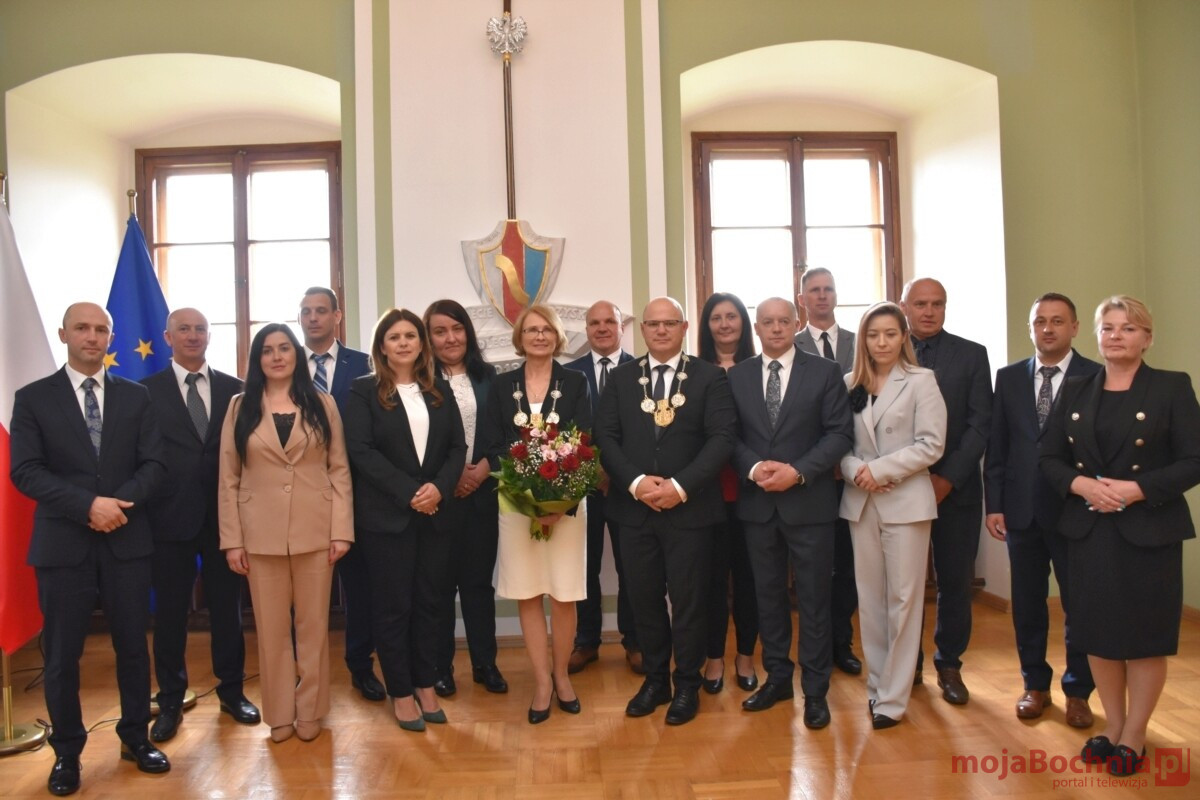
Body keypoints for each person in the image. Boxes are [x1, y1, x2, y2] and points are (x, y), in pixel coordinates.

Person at [10, 302, 170, 796]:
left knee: (132, 648)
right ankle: (67, 753)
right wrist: (88, 506)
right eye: (82, 328)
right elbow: (25, 471)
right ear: (64, 334)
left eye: (102, 329)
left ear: (111, 339)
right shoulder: (33, 398)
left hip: (126, 539)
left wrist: (116, 506)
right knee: (62, 656)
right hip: (63, 545)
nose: (92, 336)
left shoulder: (137, 396)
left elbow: (155, 465)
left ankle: (136, 738)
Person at [1040, 295, 1200, 776]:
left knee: (1145, 637)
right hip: (1091, 528)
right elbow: (1049, 458)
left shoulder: (1172, 386)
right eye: (1108, 327)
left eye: (1128, 328)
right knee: (1099, 634)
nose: (1116, 336)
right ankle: (1112, 725)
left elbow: (1194, 460)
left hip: (1149, 529)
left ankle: (1135, 732)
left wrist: (1137, 489)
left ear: (1147, 338)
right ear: (1096, 336)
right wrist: (1083, 485)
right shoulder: (1076, 389)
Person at [594, 296, 736, 726]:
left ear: (684, 327)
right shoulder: (621, 378)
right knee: (644, 600)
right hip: (633, 511)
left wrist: (679, 487)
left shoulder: (710, 377)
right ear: (642, 330)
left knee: (690, 602)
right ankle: (656, 681)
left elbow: (722, 439)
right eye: (653, 324)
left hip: (690, 512)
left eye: (669, 323)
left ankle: (687, 683)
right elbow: (605, 437)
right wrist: (637, 483)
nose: (660, 330)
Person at [218, 323, 353, 743]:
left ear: (296, 354)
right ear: (257, 359)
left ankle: (311, 710)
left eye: (284, 348)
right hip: (259, 535)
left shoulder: (322, 403)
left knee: (313, 628)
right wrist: (232, 540)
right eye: (267, 350)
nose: (276, 356)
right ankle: (279, 714)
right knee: (271, 631)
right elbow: (228, 477)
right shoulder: (239, 406)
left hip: (316, 530)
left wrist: (341, 530)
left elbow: (339, 468)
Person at [727, 298, 853, 729]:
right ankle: (778, 678)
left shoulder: (825, 372)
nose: (776, 328)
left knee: (815, 602)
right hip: (758, 505)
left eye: (784, 321)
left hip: (810, 504)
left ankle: (815, 691)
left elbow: (839, 434)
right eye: (768, 322)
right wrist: (754, 468)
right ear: (756, 328)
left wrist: (797, 472)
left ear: (797, 324)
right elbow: (728, 436)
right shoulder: (738, 375)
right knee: (768, 598)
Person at [344, 309, 466, 731]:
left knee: (431, 604)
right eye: (394, 337)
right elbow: (361, 451)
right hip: (387, 518)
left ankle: (425, 685)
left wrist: (439, 489)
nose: (403, 343)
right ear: (382, 345)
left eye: (410, 335)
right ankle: (400, 692)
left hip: (435, 515)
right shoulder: (363, 391)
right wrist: (410, 492)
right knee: (394, 607)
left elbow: (457, 447)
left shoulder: (439, 389)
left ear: (421, 343)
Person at [142, 308, 259, 743]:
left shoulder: (236, 390)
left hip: (224, 519)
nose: (192, 336)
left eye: (200, 329)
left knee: (228, 611)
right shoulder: (144, 392)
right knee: (170, 615)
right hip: (168, 519)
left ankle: (232, 692)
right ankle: (171, 700)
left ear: (209, 336)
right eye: (183, 329)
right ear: (167, 337)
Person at [984, 293, 1099, 726]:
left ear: (1074, 328)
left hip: (1075, 511)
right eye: (1040, 321)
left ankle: (1079, 692)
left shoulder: (1096, 376)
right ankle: (1034, 685)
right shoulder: (1009, 377)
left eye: (1057, 321)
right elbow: (998, 446)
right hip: (1021, 511)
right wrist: (994, 504)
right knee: (1028, 604)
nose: (1047, 329)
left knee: (1079, 605)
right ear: (1031, 328)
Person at [480, 304, 591, 724]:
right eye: (531, 330)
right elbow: (493, 444)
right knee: (528, 591)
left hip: (567, 506)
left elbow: (583, 441)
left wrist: (558, 501)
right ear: (520, 337)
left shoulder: (575, 382)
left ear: (557, 336)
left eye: (546, 329)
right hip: (515, 504)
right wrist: (527, 497)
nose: (539, 336)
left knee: (564, 593)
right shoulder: (501, 384)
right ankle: (542, 682)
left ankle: (562, 676)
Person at [839, 302, 946, 729]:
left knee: (903, 601)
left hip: (906, 503)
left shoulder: (921, 380)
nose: (881, 342)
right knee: (870, 600)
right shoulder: (850, 383)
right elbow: (839, 443)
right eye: (872, 335)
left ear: (904, 337)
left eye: (889, 334)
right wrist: (858, 471)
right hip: (861, 501)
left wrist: (880, 471)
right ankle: (877, 686)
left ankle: (894, 699)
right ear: (862, 340)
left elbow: (931, 444)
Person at [900, 277, 991, 703]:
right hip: (901, 487)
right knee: (905, 584)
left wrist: (947, 478)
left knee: (955, 581)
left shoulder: (972, 355)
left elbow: (980, 423)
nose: (929, 311)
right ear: (904, 306)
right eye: (920, 303)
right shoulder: (887, 349)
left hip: (957, 490)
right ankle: (908, 664)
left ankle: (949, 665)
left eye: (937, 304)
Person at [299, 286, 383, 702]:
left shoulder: (366, 365)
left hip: (360, 492)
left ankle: (360, 666)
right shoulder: (285, 366)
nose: (313, 318)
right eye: (306, 311)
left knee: (361, 587)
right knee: (301, 593)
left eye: (321, 310)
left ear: (337, 316)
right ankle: (302, 672)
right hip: (302, 496)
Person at [423, 299, 508, 696]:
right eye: (440, 331)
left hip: (481, 496)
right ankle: (440, 668)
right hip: (437, 500)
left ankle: (485, 664)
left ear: (468, 333)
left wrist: (482, 470)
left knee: (477, 586)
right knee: (439, 589)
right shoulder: (419, 382)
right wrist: (449, 478)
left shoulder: (489, 377)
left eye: (457, 329)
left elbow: (505, 434)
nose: (450, 338)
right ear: (428, 338)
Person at [563, 300, 642, 675]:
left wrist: (617, 471)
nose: (602, 328)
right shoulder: (569, 375)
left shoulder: (642, 370)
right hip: (584, 486)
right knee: (584, 567)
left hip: (630, 486)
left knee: (633, 567)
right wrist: (593, 469)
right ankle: (586, 641)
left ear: (622, 327)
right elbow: (566, 429)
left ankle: (635, 641)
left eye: (610, 321)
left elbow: (646, 433)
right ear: (586, 329)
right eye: (594, 323)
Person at [794, 267, 862, 676]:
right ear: (801, 299)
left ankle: (842, 642)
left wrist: (845, 460)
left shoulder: (860, 342)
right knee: (814, 567)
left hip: (854, 471)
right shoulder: (790, 344)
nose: (822, 296)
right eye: (814, 290)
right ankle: (812, 648)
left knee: (847, 564)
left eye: (828, 289)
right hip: (808, 472)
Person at [696, 292, 759, 693]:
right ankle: (715, 657)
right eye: (716, 318)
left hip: (753, 491)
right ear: (706, 326)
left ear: (743, 323)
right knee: (711, 581)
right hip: (706, 492)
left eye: (731, 316)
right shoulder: (693, 372)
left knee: (750, 580)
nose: (724, 324)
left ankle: (746, 656)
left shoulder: (759, 369)